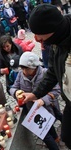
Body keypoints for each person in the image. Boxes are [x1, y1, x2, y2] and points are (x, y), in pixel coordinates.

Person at [20, 4, 71, 148]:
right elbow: (53, 73)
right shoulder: (56, 42)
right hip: (69, 101)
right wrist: (35, 94)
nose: (36, 39)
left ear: (52, 29)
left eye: (39, 34)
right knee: (67, 137)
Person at [10, 52, 62, 150]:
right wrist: (16, 92)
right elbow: (13, 88)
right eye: (22, 68)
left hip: (47, 108)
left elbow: (57, 90)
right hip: (33, 111)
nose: (24, 71)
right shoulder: (21, 74)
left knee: (48, 126)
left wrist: (43, 100)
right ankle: (55, 138)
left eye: (26, 68)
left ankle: (55, 142)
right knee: (43, 133)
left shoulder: (45, 73)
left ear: (34, 67)